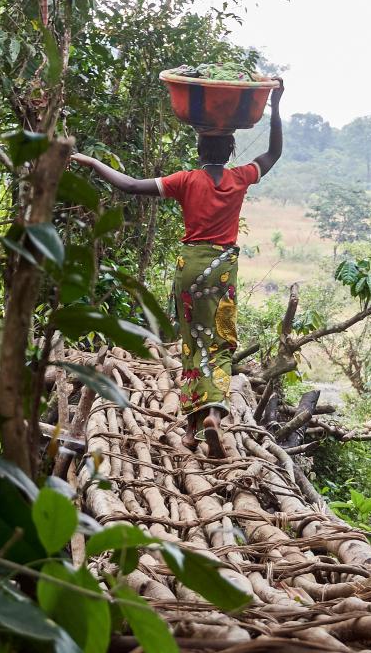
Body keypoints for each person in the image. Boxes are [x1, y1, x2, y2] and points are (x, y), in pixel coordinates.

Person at [71, 78, 284, 458]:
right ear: (230, 149)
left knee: (192, 343)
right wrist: (277, 105)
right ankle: (213, 415)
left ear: (200, 148)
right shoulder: (239, 178)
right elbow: (273, 154)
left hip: (190, 268)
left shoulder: (185, 181)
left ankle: (190, 431)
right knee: (219, 343)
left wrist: (92, 161)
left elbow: (131, 186)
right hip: (221, 268)